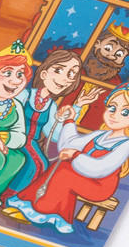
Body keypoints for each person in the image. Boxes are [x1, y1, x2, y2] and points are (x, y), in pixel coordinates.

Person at [11, 84, 129, 236]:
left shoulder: (125, 144)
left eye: (125, 112)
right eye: (112, 108)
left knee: (65, 172)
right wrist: (70, 120)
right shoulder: (100, 135)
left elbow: (101, 168)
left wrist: (76, 155)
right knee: (63, 166)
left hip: (99, 185)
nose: (114, 115)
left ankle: (40, 212)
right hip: (83, 177)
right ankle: (29, 204)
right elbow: (68, 144)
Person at [6, 47, 103, 199]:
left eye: (71, 74)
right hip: (14, 136)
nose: (65, 78)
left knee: (42, 164)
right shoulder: (25, 95)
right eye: (59, 70)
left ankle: (16, 197)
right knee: (32, 163)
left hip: (32, 143)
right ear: (44, 74)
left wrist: (77, 107)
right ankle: (9, 195)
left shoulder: (51, 106)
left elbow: (55, 134)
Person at [0, 41, 32, 206]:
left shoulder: (15, 106)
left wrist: (4, 138)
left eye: (20, 74)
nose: (15, 81)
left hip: (3, 143)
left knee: (18, 158)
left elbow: (20, 135)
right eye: (7, 72)